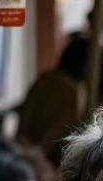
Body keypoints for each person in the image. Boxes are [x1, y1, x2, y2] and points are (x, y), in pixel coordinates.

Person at [17, 34, 90, 165]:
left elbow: (25, 116)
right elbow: (60, 130)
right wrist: (40, 151)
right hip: (50, 161)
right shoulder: (75, 92)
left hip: (24, 151)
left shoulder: (44, 79)